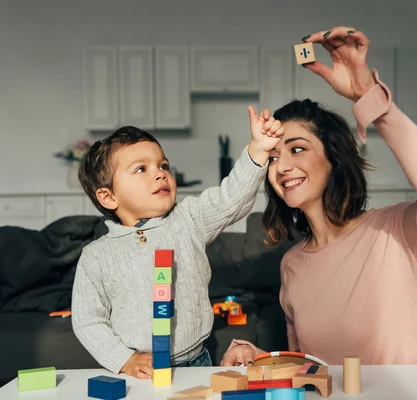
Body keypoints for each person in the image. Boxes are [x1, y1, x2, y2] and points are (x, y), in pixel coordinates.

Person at [220, 26, 417, 371]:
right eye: (274, 157)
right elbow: (313, 371)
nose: (282, 167)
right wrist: (256, 357)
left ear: (333, 158)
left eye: (297, 149)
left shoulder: (394, 231)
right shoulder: (291, 265)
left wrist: (370, 98)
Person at [71, 106, 284, 378]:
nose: (160, 173)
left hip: (198, 360)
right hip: (140, 371)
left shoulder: (188, 219)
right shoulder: (96, 256)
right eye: (141, 169)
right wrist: (124, 360)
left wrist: (258, 150)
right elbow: (88, 320)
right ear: (108, 197)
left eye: (163, 165)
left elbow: (231, 197)